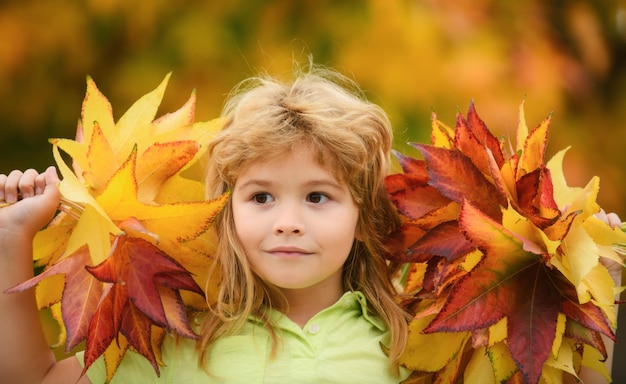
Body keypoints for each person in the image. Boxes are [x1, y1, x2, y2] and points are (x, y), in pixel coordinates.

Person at [0, 66, 414, 383]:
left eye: (317, 197)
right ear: (227, 213)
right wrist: (11, 240)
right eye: (261, 197)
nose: (288, 223)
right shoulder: (181, 335)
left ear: (363, 218)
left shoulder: (412, 338)